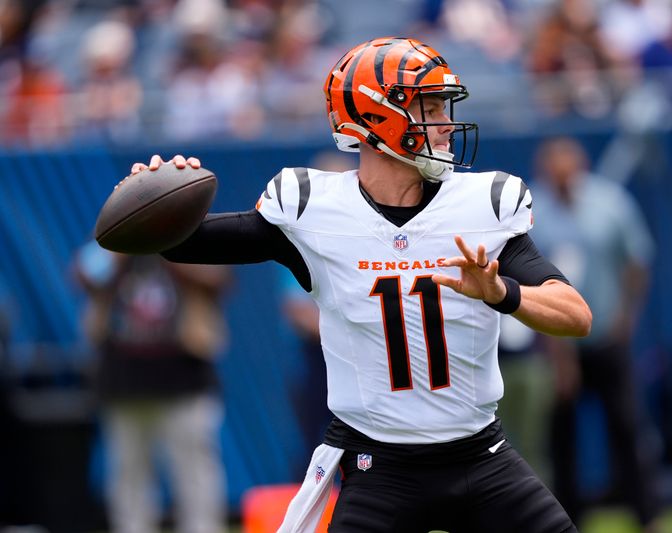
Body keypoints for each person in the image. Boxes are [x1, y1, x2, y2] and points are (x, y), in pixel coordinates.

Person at [123, 37, 592, 532]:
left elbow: (576, 315)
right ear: (377, 118)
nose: (447, 123)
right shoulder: (313, 211)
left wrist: (502, 294)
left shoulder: (483, 207)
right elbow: (180, 242)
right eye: (429, 107)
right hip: (378, 467)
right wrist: (153, 202)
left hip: (481, 456)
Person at [530, 137, 660, 532]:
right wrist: (554, 352)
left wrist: (626, 317)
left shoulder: (609, 203)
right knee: (560, 437)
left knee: (626, 427)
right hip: (557, 343)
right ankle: (567, 519)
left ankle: (647, 515)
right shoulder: (533, 211)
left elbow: (637, 260)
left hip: (605, 337)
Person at [74, 241, 231, 533]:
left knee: (196, 476)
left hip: (185, 380)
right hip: (123, 383)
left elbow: (220, 278)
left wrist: (168, 248)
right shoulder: (116, 241)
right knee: (128, 477)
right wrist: (123, 246)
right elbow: (83, 276)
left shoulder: (186, 237)